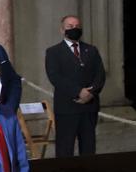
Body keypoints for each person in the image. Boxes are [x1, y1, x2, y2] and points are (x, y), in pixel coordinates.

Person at [44, 15, 106, 157]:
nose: (74, 29)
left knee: (89, 148)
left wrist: (91, 92)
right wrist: (78, 92)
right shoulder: (53, 52)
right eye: (70, 26)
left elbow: (100, 75)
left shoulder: (91, 50)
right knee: (65, 149)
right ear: (62, 30)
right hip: (67, 108)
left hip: (89, 107)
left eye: (77, 26)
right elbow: (55, 76)